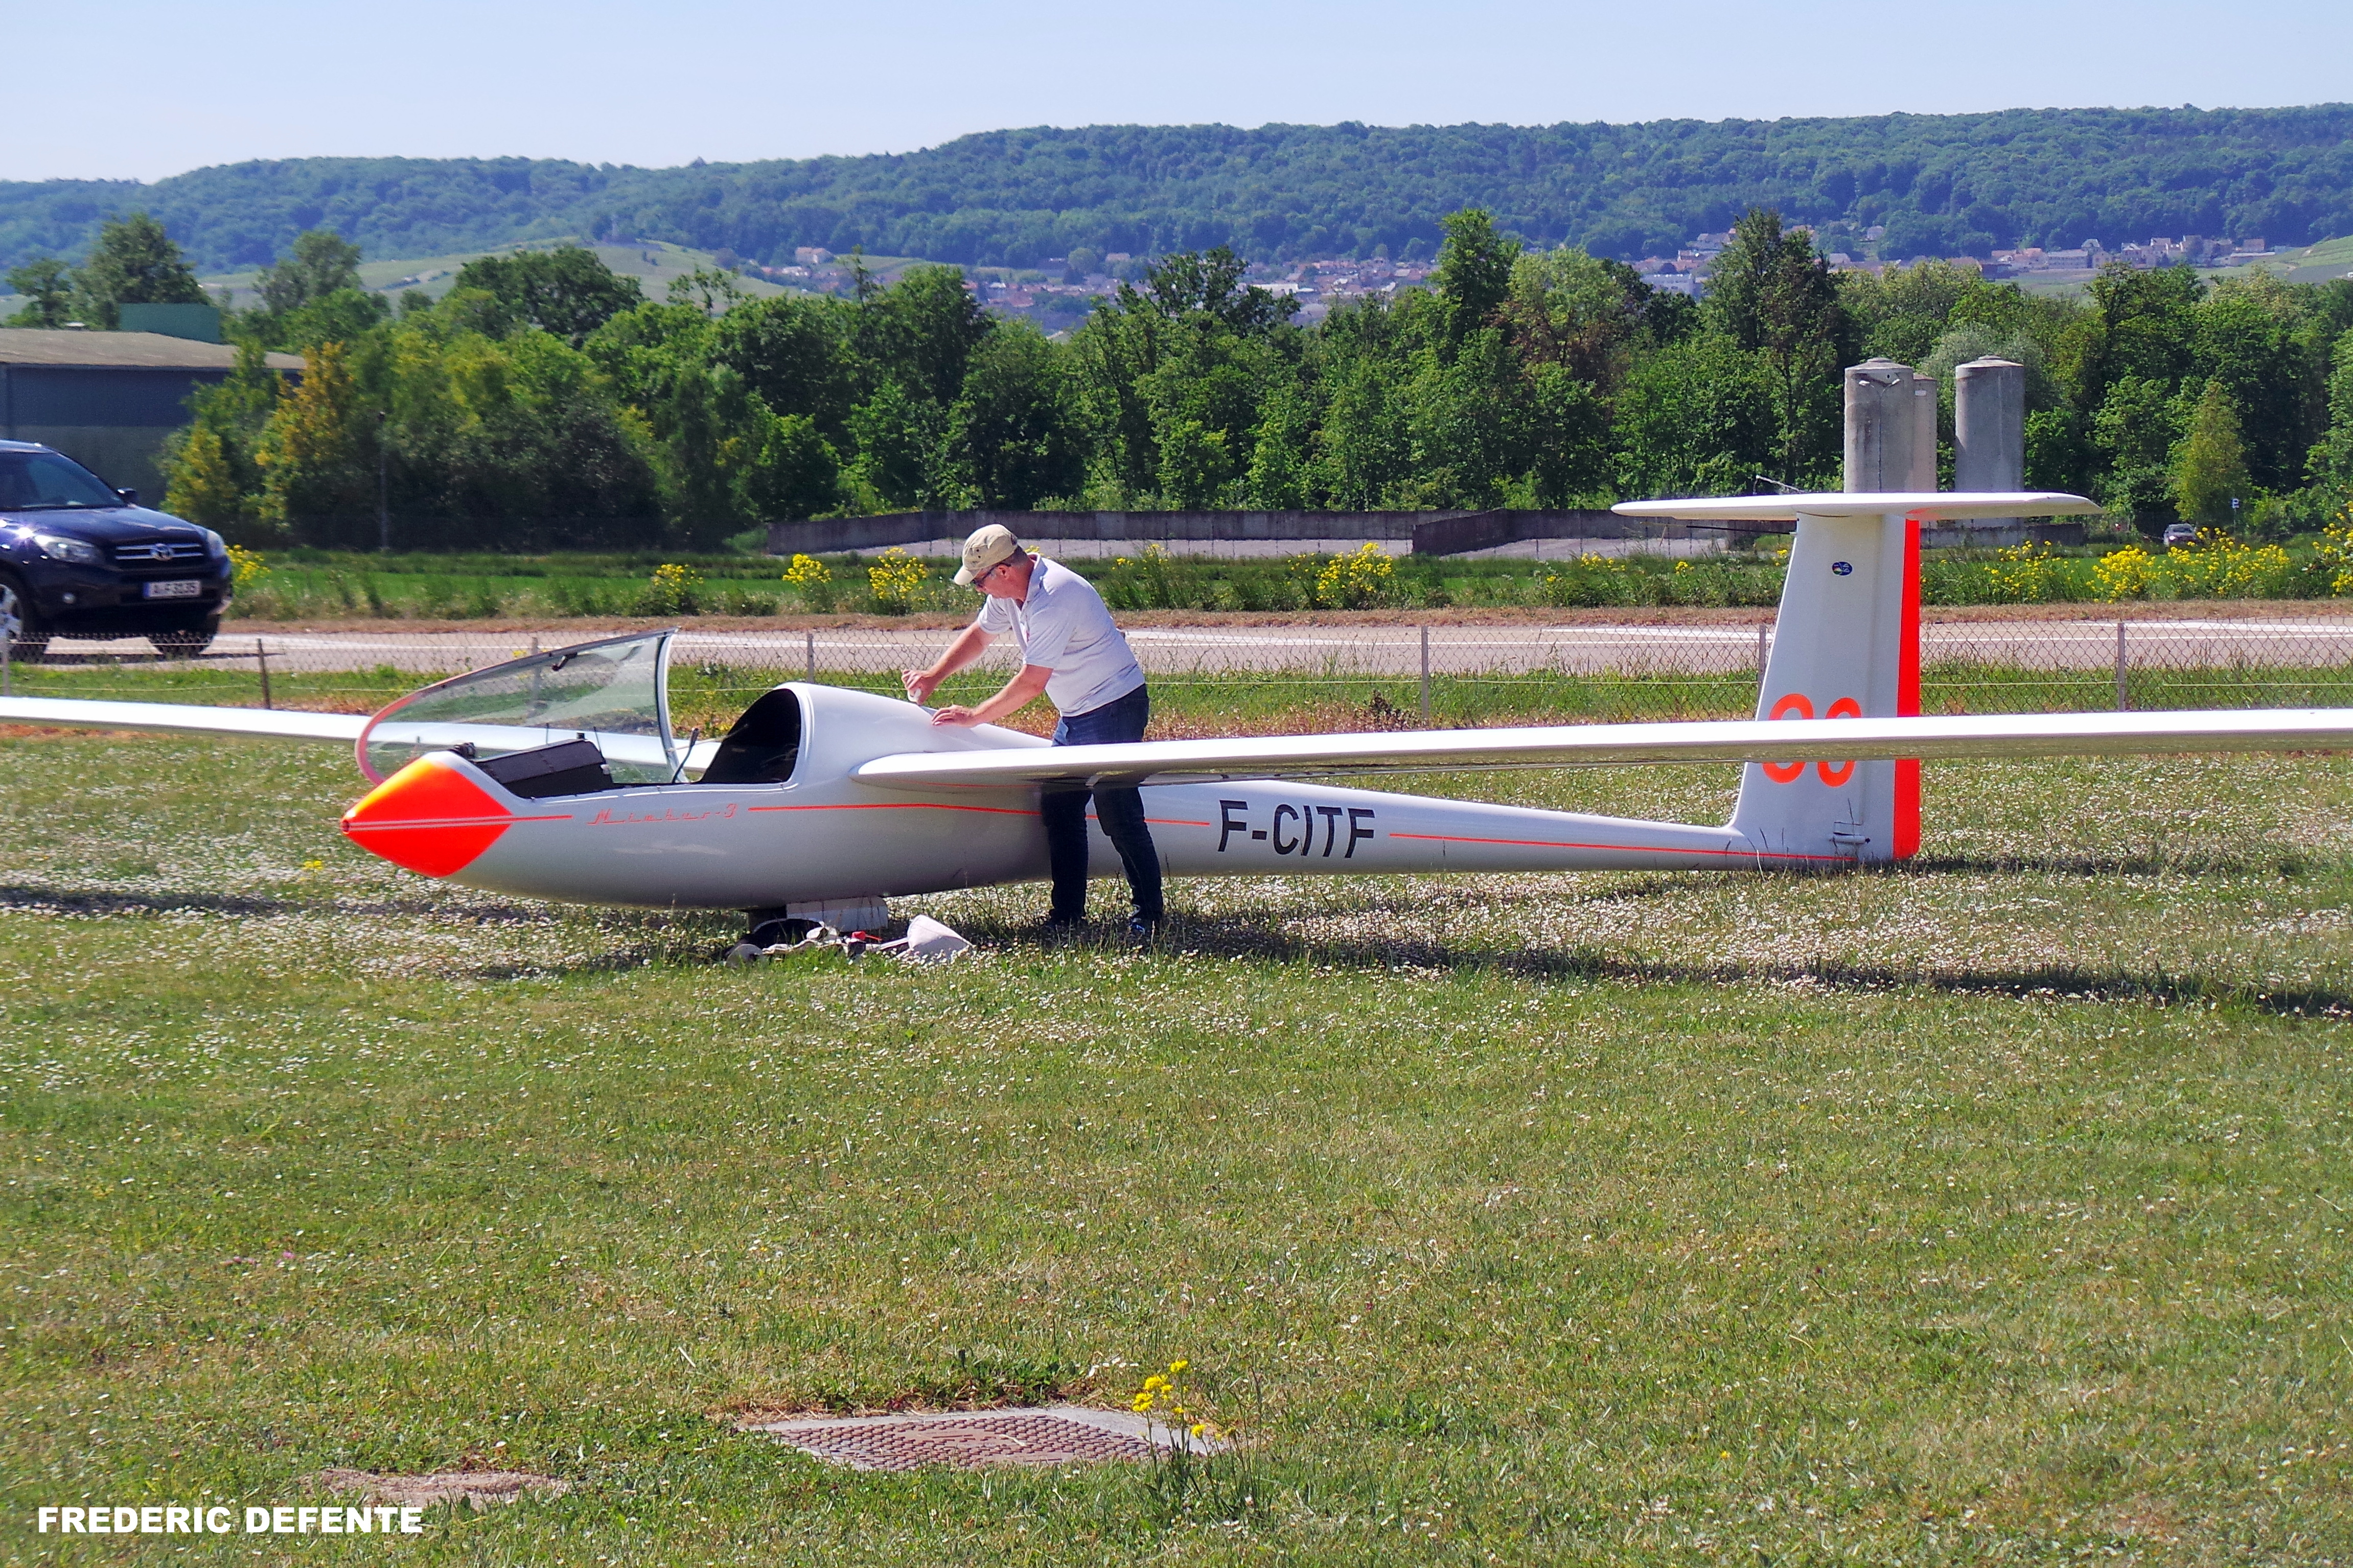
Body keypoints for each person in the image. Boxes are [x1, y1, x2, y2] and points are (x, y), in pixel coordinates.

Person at [902, 525, 1164, 935]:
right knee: (1060, 806)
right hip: (1078, 713)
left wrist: (973, 717)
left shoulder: (1055, 596)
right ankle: (1068, 915)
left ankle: (1149, 916)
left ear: (1004, 570)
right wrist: (934, 676)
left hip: (1114, 706)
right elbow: (980, 635)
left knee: (1118, 811)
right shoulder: (1011, 594)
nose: (979, 590)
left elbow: (1031, 683)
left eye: (980, 581)